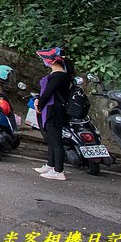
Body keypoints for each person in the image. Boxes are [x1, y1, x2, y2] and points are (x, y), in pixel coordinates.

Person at [33, 48, 73, 181]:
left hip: (54, 110)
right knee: (50, 139)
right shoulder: (58, 75)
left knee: (56, 141)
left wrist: (40, 105)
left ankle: (59, 170)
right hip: (50, 109)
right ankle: (51, 165)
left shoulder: (59, 76)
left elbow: (48, 93)